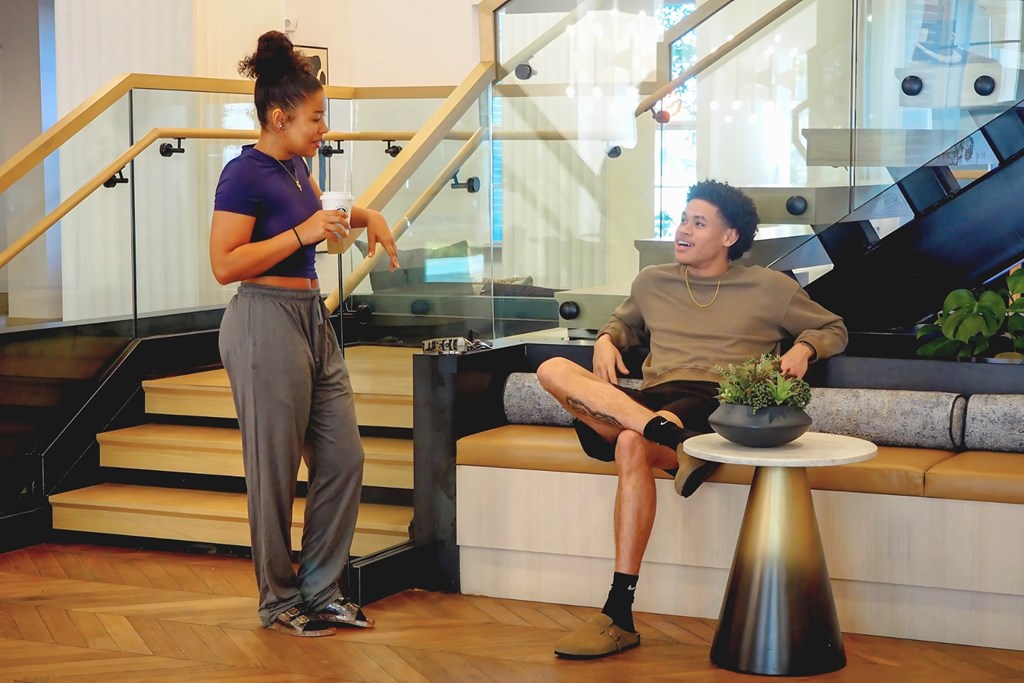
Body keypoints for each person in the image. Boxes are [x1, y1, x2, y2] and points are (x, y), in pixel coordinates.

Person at [536, 179, 848, 659]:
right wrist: (606, 339)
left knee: (629, 442)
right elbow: (624, 322)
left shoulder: (770, 288)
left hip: (714, 401)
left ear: (729, 237)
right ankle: (670, 438)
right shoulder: (652, 281)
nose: (682, 230)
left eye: (698, 223)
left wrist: (805, 348)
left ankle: (618, 613)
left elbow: (832, 326)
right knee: (553, 369)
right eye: (683, 219)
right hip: (650, 402)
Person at [209, 31, 399, 637]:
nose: (323, 128)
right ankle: (278, 600)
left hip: (310, 315)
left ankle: (321, 591)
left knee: (343, 457)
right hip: (262, 320)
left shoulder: (297, 167)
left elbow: (325, 219)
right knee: (273, 470)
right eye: (316, 117)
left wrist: (368, 215)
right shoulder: (243, 173)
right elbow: (224, 264)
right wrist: (303, 234)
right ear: (279, 117)